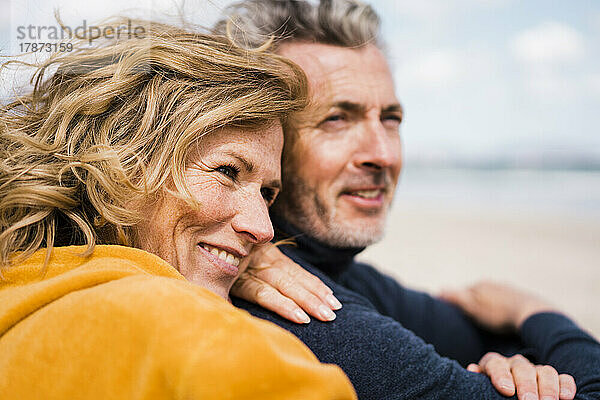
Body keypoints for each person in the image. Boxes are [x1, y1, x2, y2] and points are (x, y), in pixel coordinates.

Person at [213, 1, 600, 399]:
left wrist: (514, 365)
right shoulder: (303, 310)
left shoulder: (345, 275)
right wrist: (530, 309)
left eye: (390, 119)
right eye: (337, 119)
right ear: (261, 136)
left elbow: (480, 337)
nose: (383, 154)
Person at [0, 18, 356, 399]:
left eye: (268, 194)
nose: (264, 230)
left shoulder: (20, 288)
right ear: (117, 167)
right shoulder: (209, 346)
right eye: (227, 171)